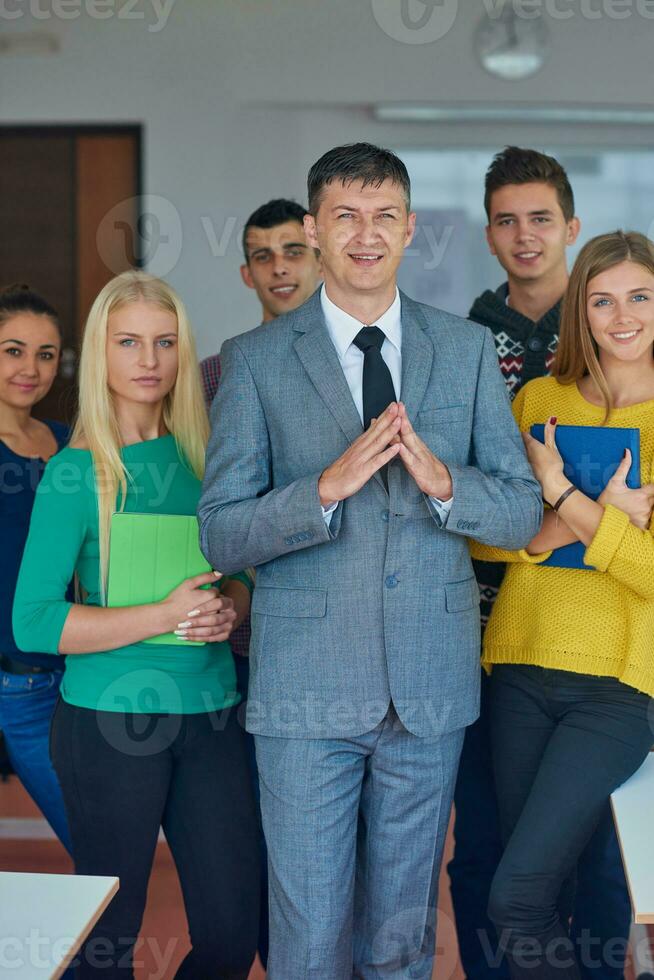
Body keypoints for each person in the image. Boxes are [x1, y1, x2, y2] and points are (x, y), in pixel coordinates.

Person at [198, 142, 542, 979]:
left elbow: (522, 508)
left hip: (429, 688)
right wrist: (323, 487)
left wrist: (440, 480)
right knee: (309, 940)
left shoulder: (463, 351)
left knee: (399, 942)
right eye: (345, 216)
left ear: (410, 228)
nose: (365, 234)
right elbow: (221, 533)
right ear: (314, 229)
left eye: (384, 215)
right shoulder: (254, 361)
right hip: (305, 694)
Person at [13, 270, 260, 979]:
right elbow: (33, 622)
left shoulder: (209, 461)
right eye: (128, 342)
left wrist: (229, 608)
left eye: (164, 342)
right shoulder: (75, 473)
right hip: (105, 723)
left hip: (213, 717)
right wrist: (163, 614)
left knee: (229, 932)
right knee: (108, 940)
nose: (148, 359)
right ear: (101, 355)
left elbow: (239, 575)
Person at [451, 148, 634, 980]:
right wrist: (581, 510)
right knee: (507, 868)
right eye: (602, 301)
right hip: (509, 649)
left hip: (622, 670)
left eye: (637, 298)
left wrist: (558, 505)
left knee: (574, 874)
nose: (619, 316)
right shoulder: (507, 379)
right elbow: (485, 529)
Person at [0, 283, 71, 854]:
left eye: (45, 354)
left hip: (73, 678)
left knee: (105, 848)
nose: (31, 368)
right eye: (13, 350)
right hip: (15, 680)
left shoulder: (71, 444)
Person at [200, 198, 322, 406]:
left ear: (322, 264)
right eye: (263, 257)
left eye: (294, 253)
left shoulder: (354, 355)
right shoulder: (214, 373)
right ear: (247, 275)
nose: (279, 268)